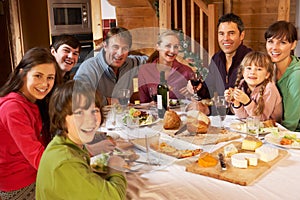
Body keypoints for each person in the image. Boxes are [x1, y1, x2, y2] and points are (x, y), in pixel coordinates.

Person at [36, 80, 127, 199]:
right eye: (79, 112)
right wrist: (115, 167)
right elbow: (115, 197)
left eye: (94, 111)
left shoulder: (68, 143)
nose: (90, 120)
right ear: (61, 118)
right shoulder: (65, 162)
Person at [0, 47, 60, 199]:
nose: (44, 84)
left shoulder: (32, 102)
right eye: (38, 76)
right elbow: (38, 158)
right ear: (22, 74)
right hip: (19, 186)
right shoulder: (12, 108)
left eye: (50, 77)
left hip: (34, 175)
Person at [74, 27, 148, 105]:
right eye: (115, 47)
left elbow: (153, 62)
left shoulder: (131, 62)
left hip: (126, 115)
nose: (120, 53)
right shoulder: (89, 68)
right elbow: (78, 96)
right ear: (105, 46)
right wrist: (109, 101)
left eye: (125, 48)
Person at [189, 13, 252, 100]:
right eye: (221, 34)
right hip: (221, 112)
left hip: (244, 112)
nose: (226, 38)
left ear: (241, 35)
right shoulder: (216, 58)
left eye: (231, 33)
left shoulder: (251, 59)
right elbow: (209, 90)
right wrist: (198, 88)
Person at [138, 30, 195, 103]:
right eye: (168, 46)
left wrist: (191, 95)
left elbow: (198, 102)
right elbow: (143, 102)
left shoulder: (187, 72)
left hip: (179, 114)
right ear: (158, 47)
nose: (172, 51)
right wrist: (150, 105)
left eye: (176, 47)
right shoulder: (145, 71)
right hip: (154, 113)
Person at [224, 51, 282, 122]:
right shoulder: (242, 84)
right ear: (243, 72)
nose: (252, 72)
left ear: (267, 74)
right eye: (249, 68)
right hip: (253, 128)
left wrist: (247, 102)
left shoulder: (269, 89)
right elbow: (243, 117)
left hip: (272, 129)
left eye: (259, 69)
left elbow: (261, 119)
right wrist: (235, 102)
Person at [265, 20, 300, 131]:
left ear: (293, 44)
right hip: (276, 129)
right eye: (270, 41)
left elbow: (290, 124)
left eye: (282, 42)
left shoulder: (296, 75)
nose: (274, 47)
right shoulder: (271, 68)